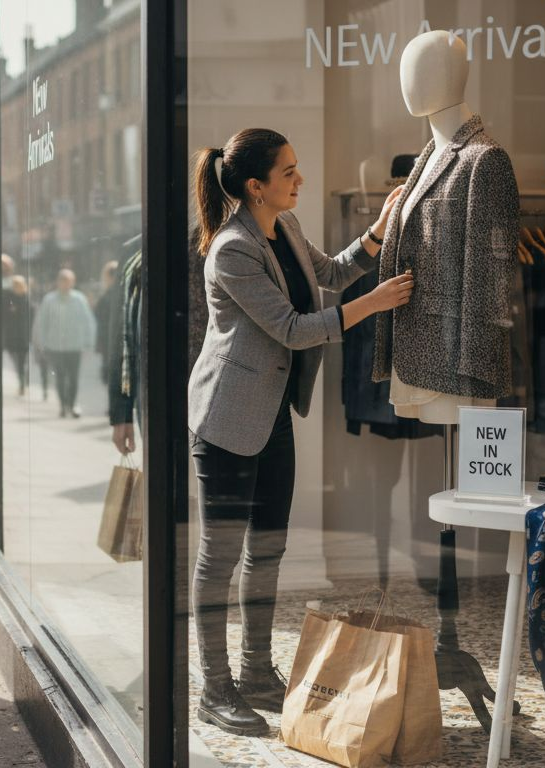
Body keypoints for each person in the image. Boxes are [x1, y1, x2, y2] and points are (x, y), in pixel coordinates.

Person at [187, 129, 410, 735]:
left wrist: (379, 231)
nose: (299, 180)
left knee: (269, 549)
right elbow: (290, 327)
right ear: (255, 186)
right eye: (288, 172)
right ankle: (215, 688)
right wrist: (377, 302)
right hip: (228, 421)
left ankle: (257, 672)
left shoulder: (281, 228)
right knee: (220, 559)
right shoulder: (231, 249)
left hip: (271, 414)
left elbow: (333, 273)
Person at [32, 268, 97, 418]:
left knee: (73, 377)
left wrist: (89, 342)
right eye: (63, 281)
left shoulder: (79, 299)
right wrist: (41, 343)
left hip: (74, 346)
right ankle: (62, 405)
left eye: (69, 281)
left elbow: (89, 322)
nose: (66, 284)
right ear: (58, 282)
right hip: (55, 347)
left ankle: (72, 404)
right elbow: (42, 323)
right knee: (60, 377)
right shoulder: (49, 300)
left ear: (73, 283)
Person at [1, 275, 33, 395]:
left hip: (24, 336)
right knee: (16, 361)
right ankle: (22, 379)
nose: (17, 288)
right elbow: (3, 314)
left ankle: (22, 382)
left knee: (22, 361)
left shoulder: (26, 299)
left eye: (19, 285)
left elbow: (31, 316)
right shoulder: (8, 298)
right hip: (11, 336)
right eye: (15, 285)